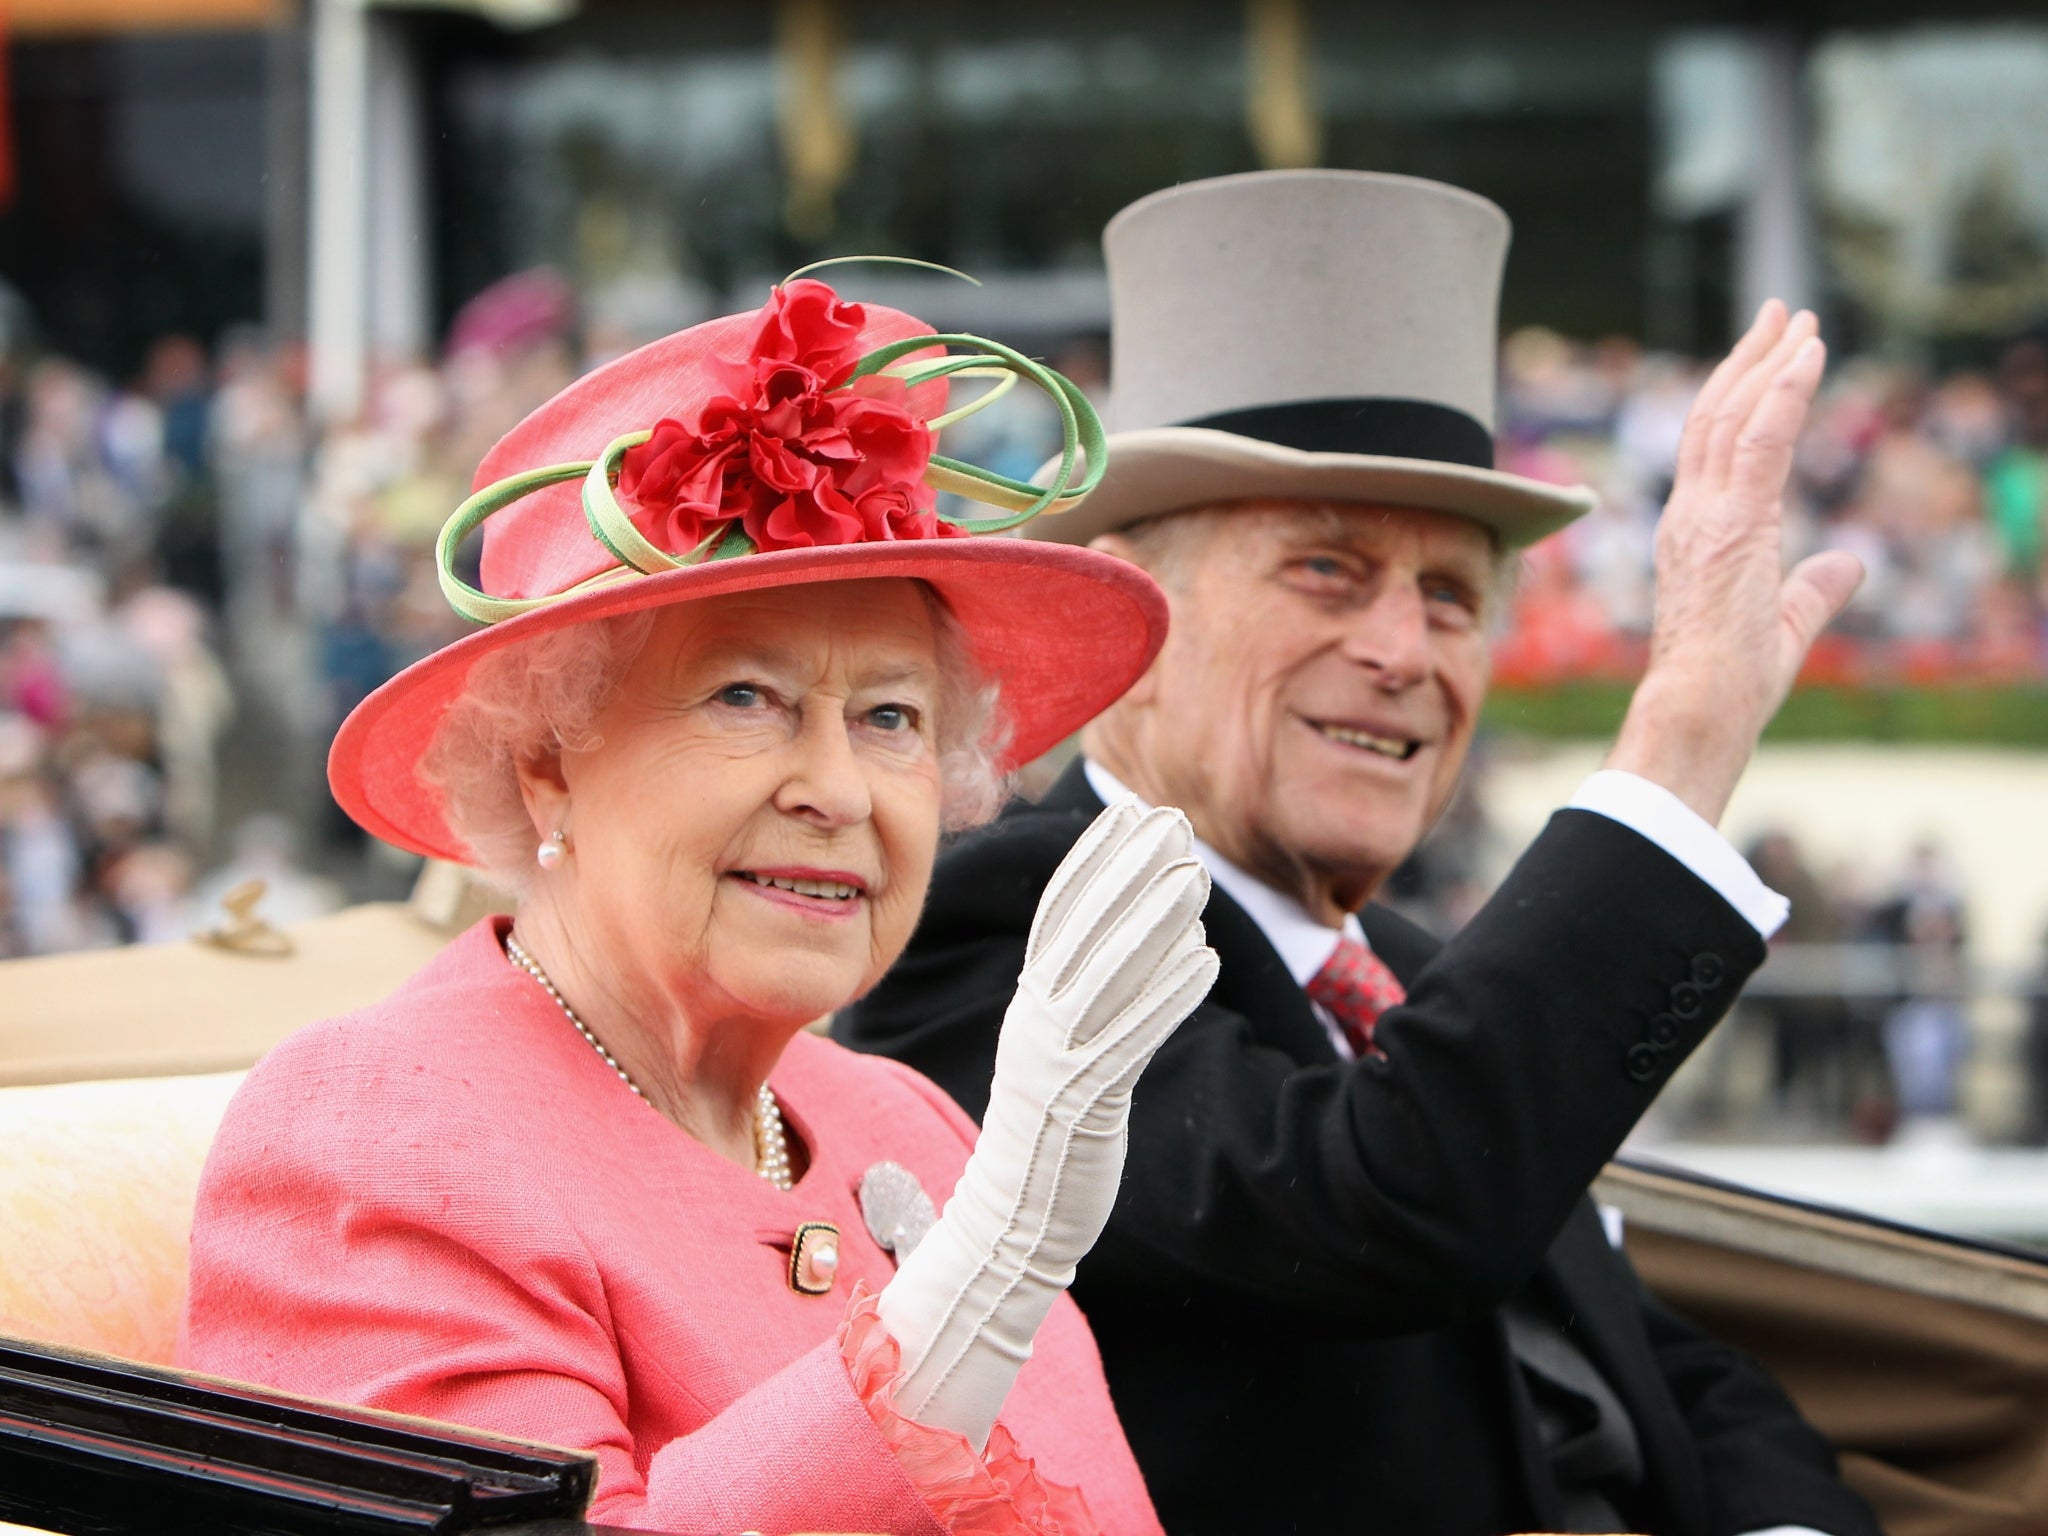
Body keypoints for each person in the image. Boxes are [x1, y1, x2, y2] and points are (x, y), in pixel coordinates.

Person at [838, 171, 1883, 1536]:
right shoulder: (1002, 922)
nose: (1404, 652)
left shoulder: (1400, 970)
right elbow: (1376, 1206)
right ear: (1130, 626)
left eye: (1450, 596)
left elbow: (1660, 1366)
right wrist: (1684, 740)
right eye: (1327, 571)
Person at [181, 276, 1222, 1536]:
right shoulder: (371, 1129)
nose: (839, 790)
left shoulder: (908, 1120)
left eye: (891, 718)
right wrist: (975, 1282)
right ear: (548, 759)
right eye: (745, 697)